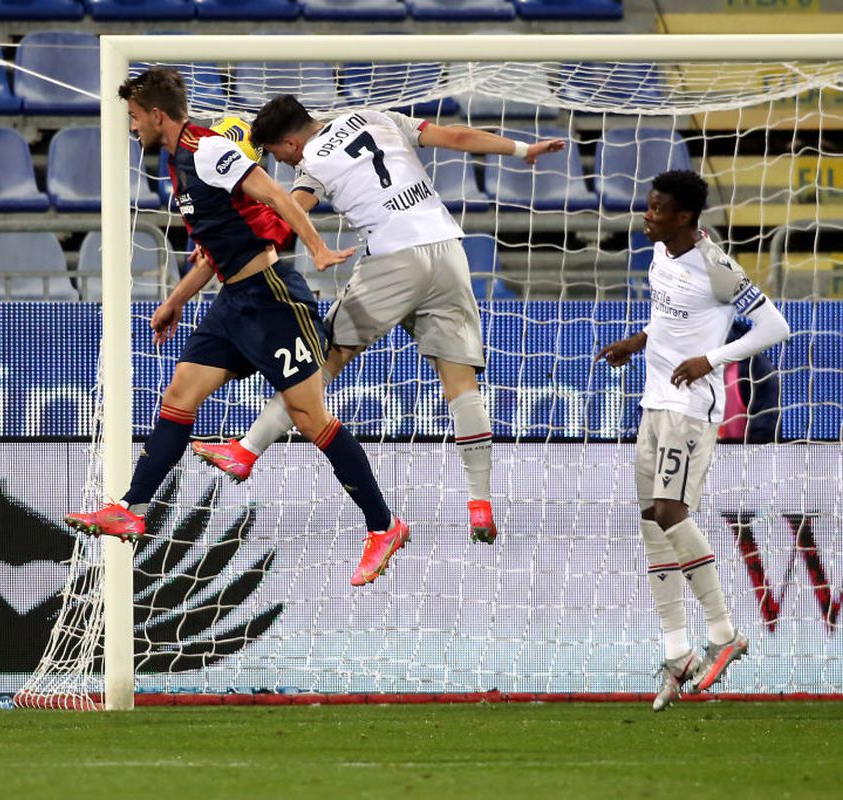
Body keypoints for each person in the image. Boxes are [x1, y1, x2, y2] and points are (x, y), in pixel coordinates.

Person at [63, 69, 409, 589]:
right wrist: (175, 302)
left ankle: (384, 525)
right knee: (180, 393)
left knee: (310, 418)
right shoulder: (179, 163)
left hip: (272, 300)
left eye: (134, 117)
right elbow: (213, 250)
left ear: (157, 115)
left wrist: (315, 247)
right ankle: (130, 509)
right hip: (233, 303)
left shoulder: (206, 150)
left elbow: (274, 193)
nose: (131, 127)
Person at [190, 94, 564, 544]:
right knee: (460, 381)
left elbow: (286, 213)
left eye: (279, 155)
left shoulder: (312, 161)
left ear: (290, 143)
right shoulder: (379, 117)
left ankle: (246, 451)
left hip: (392, 258)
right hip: (448, 250)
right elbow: (458, 136)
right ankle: (480, 504)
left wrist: (223, 240)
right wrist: (524, 151)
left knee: (320, 358)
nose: (285, 164)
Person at [596, 170, 791, 711]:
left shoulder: (717, 265)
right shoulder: (661, 255)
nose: (646, 214)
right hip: (653, 402)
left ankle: (724, 634)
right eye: (648, 205)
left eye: (656, 208)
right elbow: (667, 316)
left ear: (684, 216)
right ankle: (677, 650)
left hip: (691, 408)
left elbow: (775, 327)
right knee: (652, 526)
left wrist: (713, 358)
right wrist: (637, 341)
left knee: (668, 510)